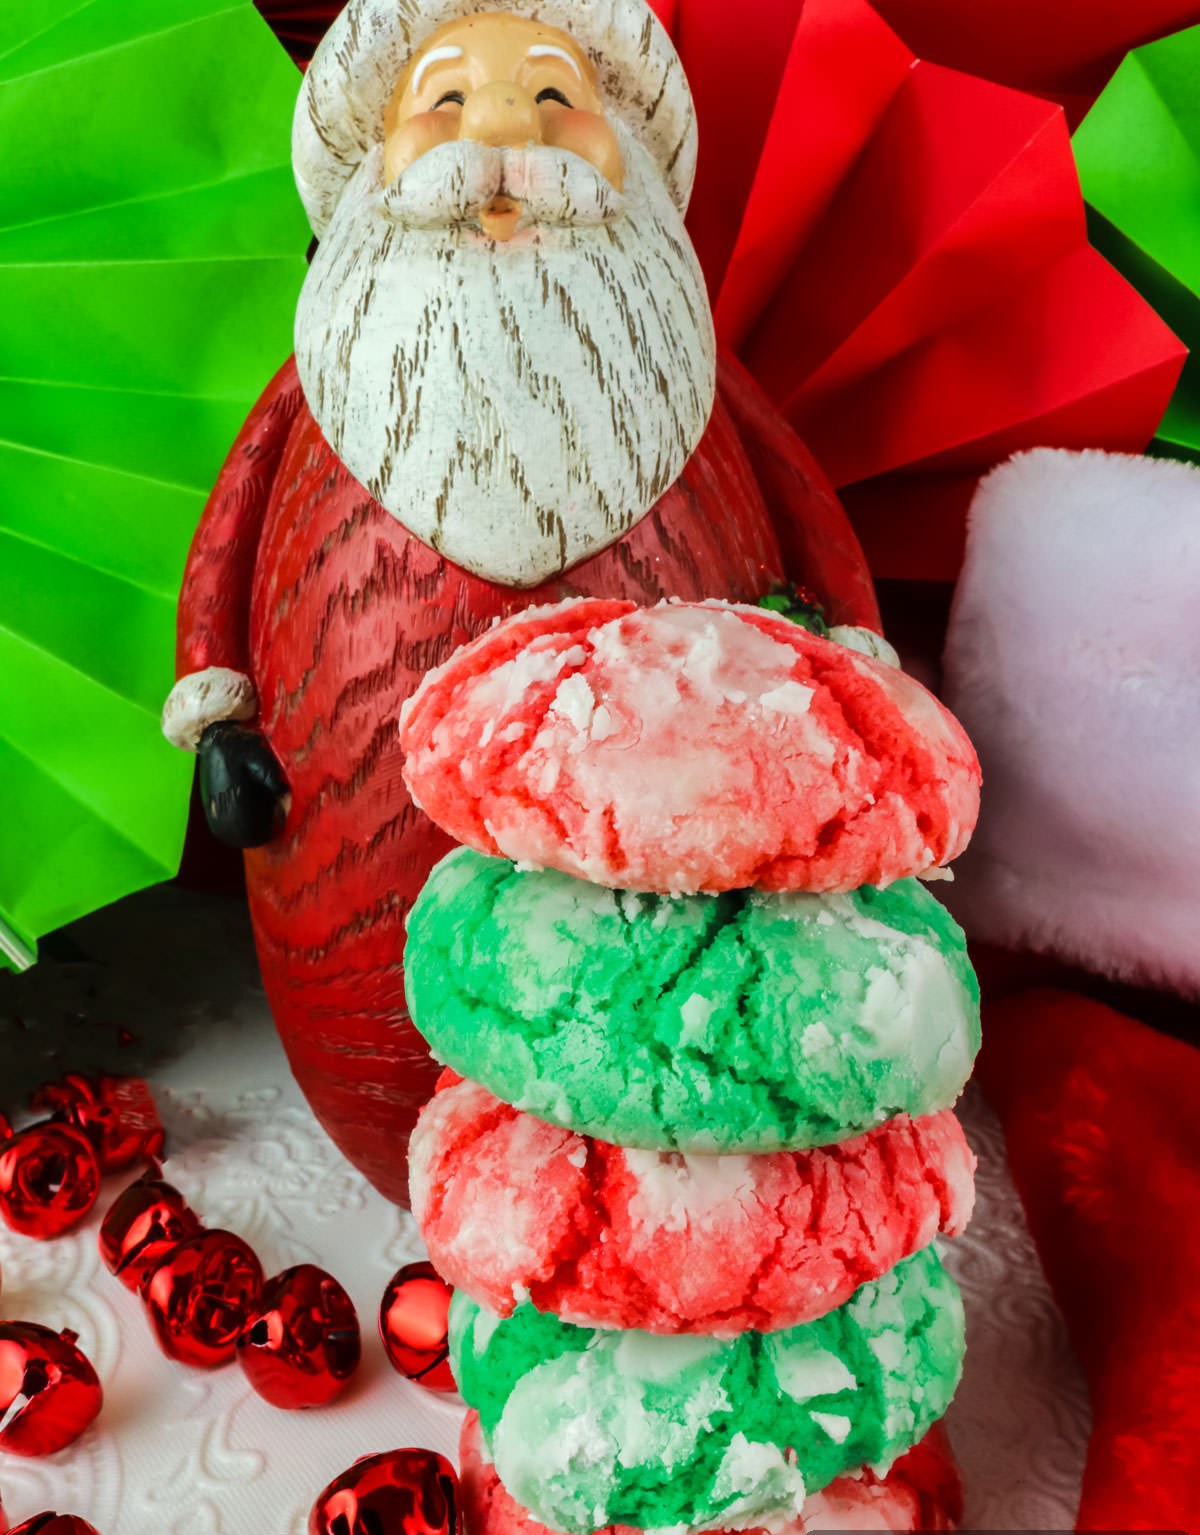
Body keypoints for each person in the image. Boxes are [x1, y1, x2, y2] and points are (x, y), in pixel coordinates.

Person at [162, 0, 880, 1203]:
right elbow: (231, 542)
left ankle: (624, 1187)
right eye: (443, 102)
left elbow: (810, 525)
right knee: (376, 996)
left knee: (648, 1015)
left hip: (669, 828)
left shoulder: (683, 369)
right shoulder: (325, 379)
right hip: (348, 854)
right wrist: (224, 723)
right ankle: (403, 1144)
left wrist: (851, 667)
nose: (502, 132)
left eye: (556, 101)